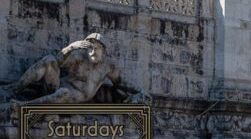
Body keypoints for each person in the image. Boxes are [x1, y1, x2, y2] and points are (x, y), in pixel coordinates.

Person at [3, 33, 146, 105]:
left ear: (104, 51)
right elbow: (57, 62)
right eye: (89, 49)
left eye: (96, 49)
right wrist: (71, 47)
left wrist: (140, 91)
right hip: (55, 89)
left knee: (63, 93)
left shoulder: (108, 67)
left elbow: (121, 82)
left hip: (71, 97)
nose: (92, 52)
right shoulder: (79, 58)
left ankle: (25, 106)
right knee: (49, 60)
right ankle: (12, 90)